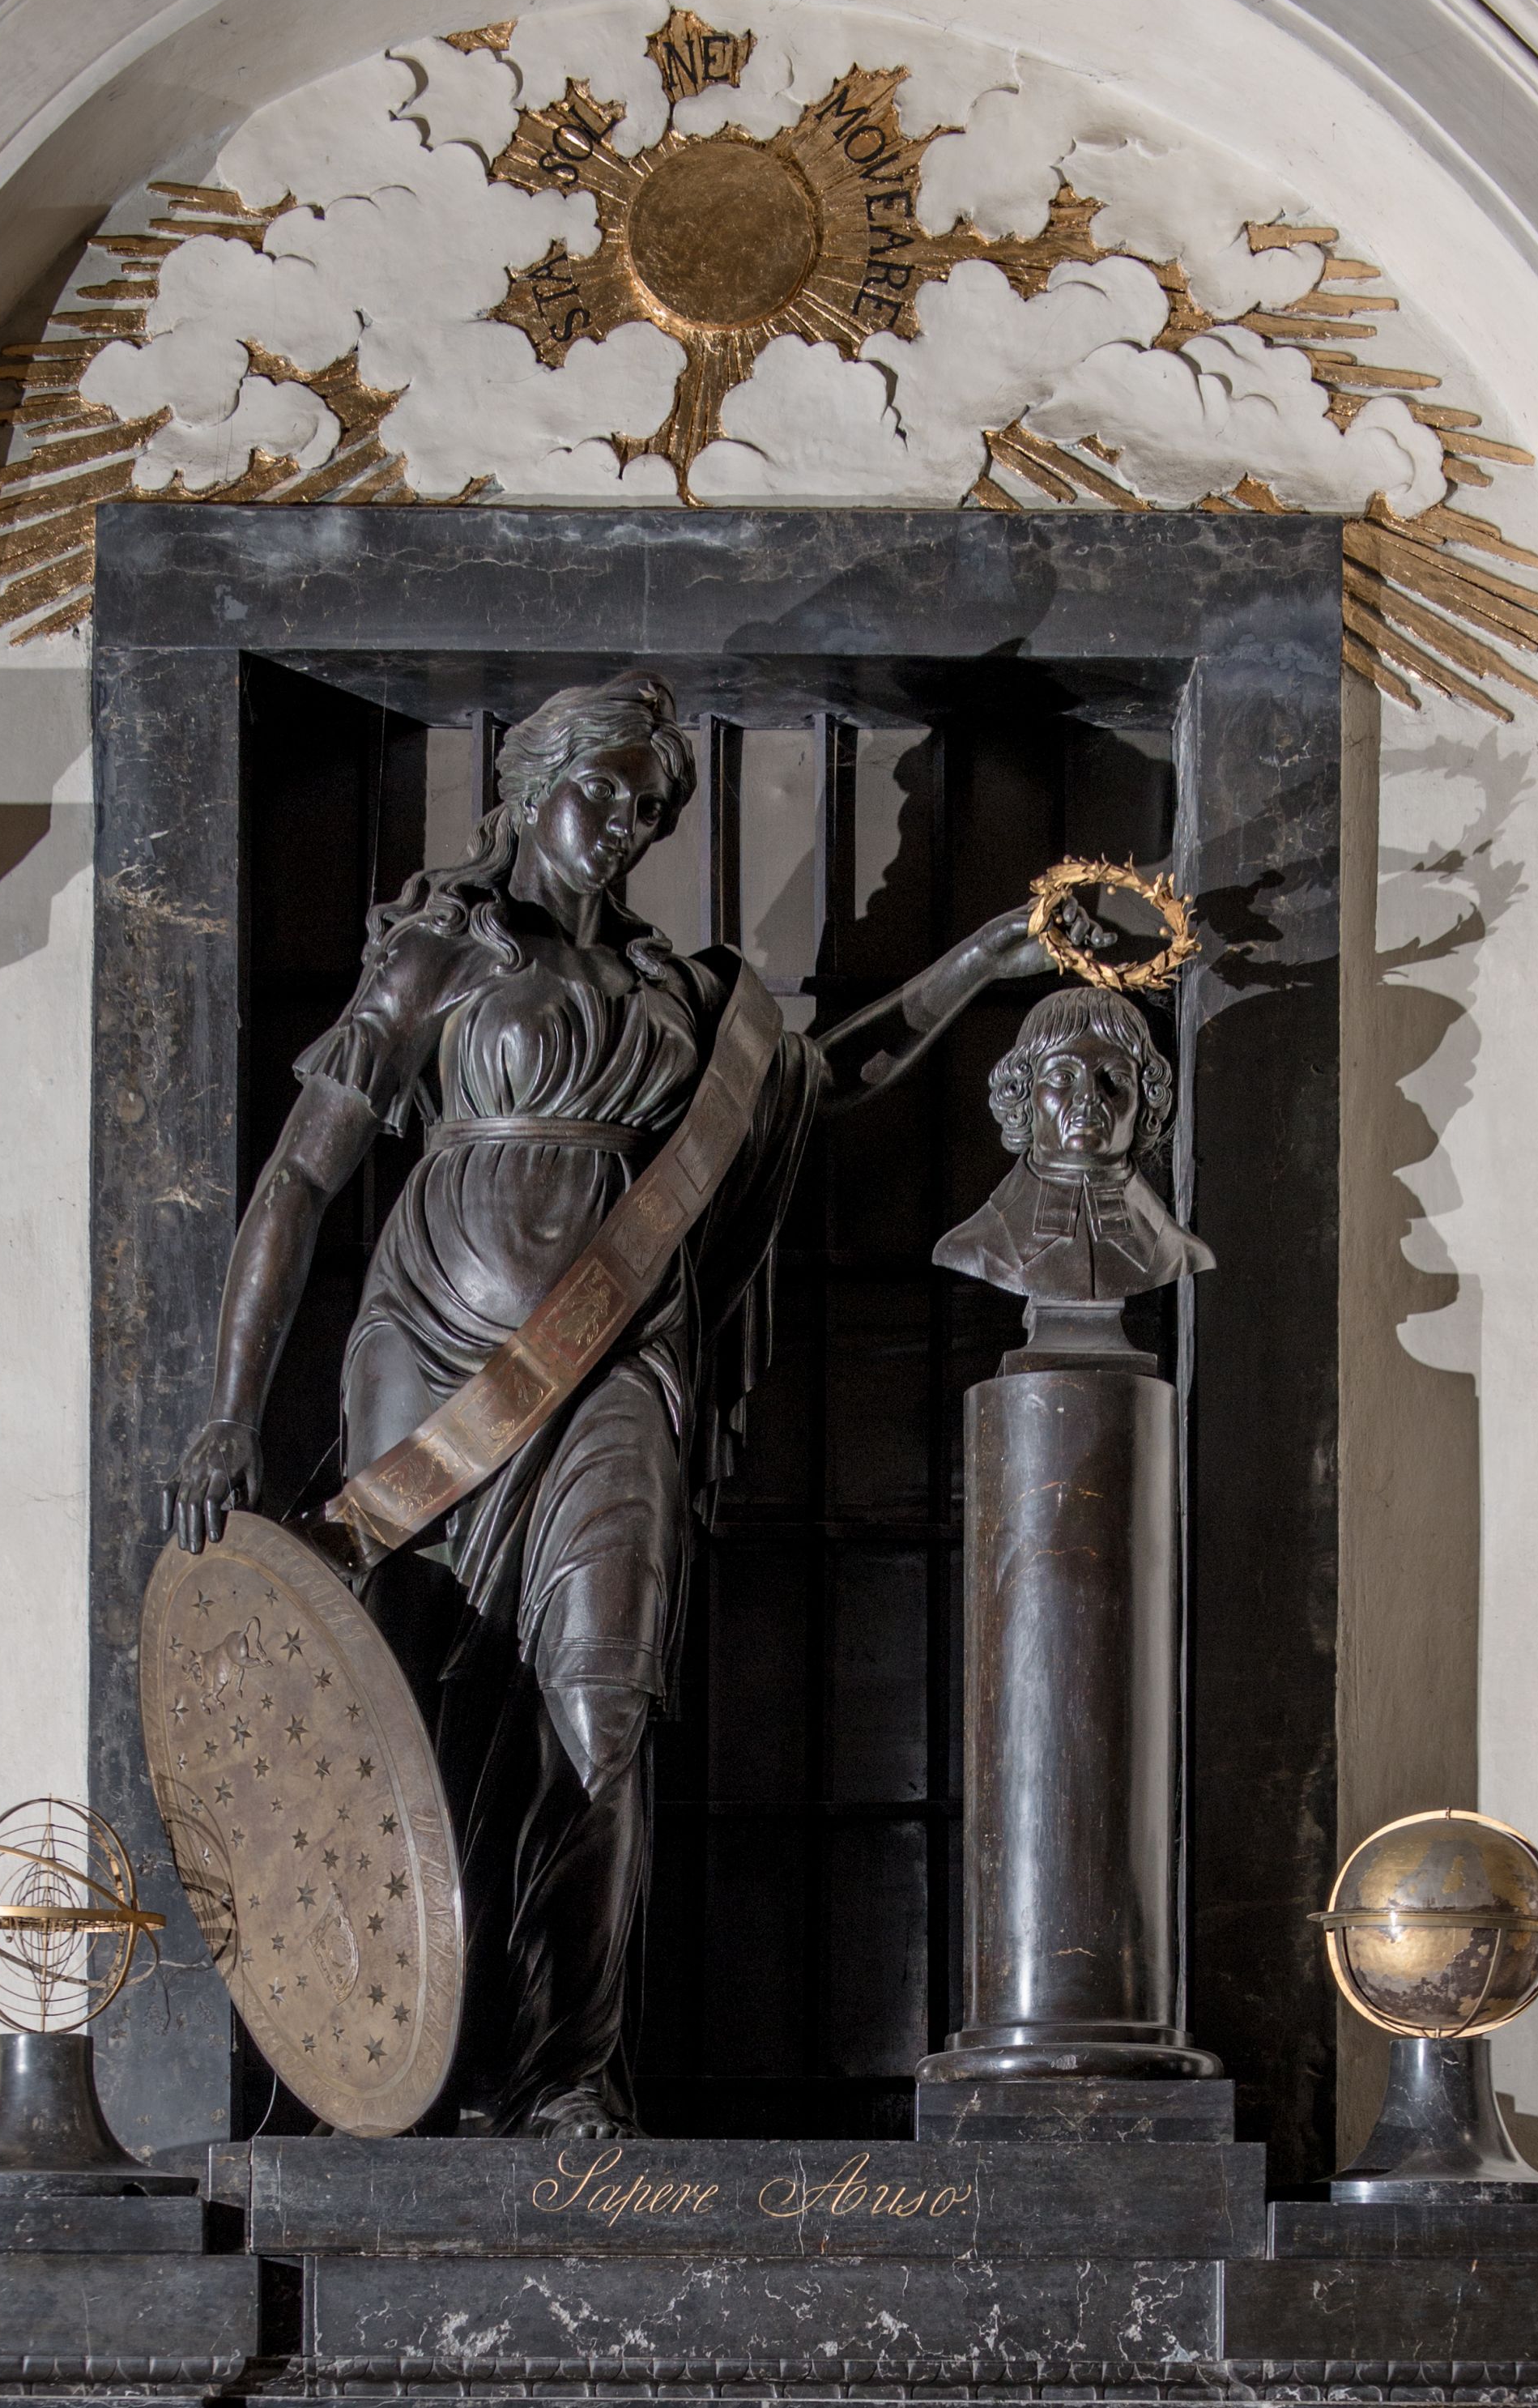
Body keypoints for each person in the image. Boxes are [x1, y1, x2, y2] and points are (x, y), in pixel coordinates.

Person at [167, 667, 1078, 2136]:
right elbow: (298, 1174)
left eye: (652, 809)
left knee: (602, 1702)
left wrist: (988, 955)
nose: (627, 825)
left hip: (619, 1364)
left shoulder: (684, 996)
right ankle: (395, 2066)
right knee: (397, 1702)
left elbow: (828, 1078)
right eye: (606, 790)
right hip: (430, 1355)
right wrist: (229, 1408)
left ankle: (564, 2069)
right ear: (533, 787)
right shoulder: (443, 950)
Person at [935, 986, 1212, 1329]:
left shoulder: (1177, 1252)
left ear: (1144, 1098)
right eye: (1063, 1076)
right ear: (1024, 1092)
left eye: (1115, 1077)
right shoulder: (976, 1245)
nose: (1089, 1096)